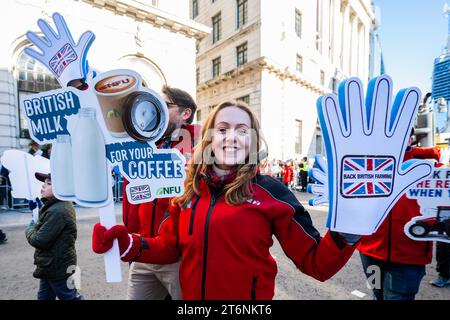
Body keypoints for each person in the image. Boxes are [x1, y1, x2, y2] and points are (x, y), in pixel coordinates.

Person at [92, 100, 360, 300]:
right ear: (210, 137)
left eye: (242, 130)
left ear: (253, 140)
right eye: (222, 129)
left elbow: (315, 264)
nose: (231, 137)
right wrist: (129, 243)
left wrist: (347, 231)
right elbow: (169, 247)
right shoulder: (189, 189)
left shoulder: (270, 192)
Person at [121, 85, 200, 300]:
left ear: (186, 114)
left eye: (165, 106)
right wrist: (132, 233)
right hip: (144, 248)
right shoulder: (143, 143)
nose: (156, 110)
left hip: (179, 255)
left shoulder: (202, 146)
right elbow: (132, 191)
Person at [358, 140, 442, 300]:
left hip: (408, 258)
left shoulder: (429, 166)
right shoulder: (365, 161)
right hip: (370, 253)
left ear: (410, 137)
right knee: (376, 294)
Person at [25, 172, 83, 300]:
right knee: (44, 297)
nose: (43, 186)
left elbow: (39, 240)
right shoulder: (55, 206)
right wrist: (37, 210)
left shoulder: (58, 210)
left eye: (49, 183)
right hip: (50, 264)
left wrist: (30, 227)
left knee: (70, 297)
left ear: (60, 188)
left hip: (58, 267)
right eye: (44, 183)